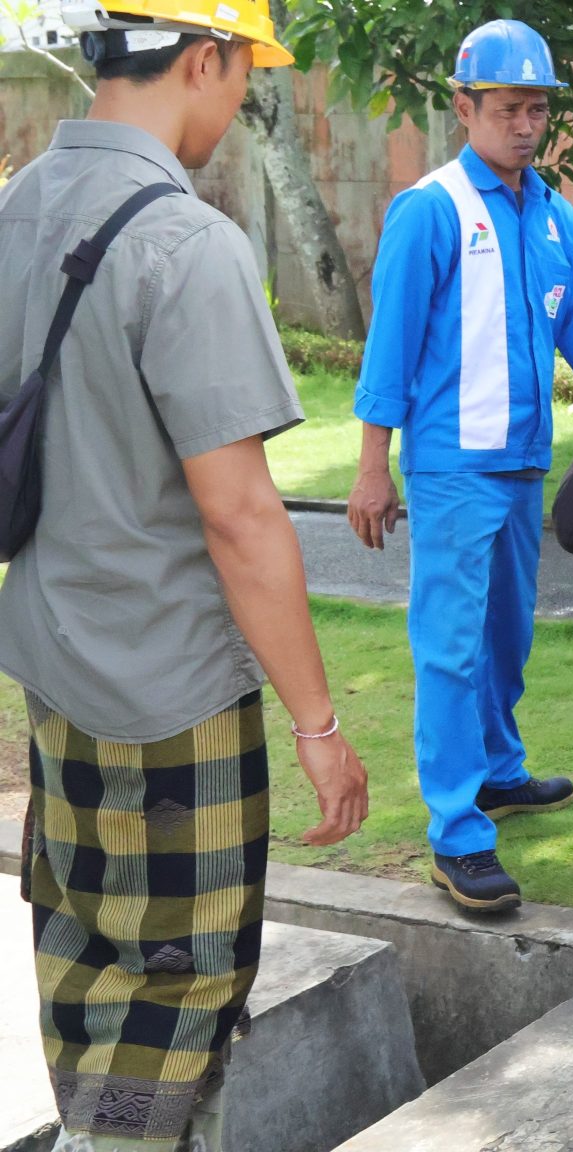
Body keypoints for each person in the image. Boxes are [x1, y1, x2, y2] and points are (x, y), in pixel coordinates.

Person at [0, 2, 370, 1146]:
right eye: (244, 75)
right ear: (202, 58)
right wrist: (317, 722)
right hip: (174, 697)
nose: (236, 103)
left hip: (54, 664)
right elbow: (244, 517)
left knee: (80, 953)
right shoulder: (188, 242)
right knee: (178, 985)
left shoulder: (13, 210)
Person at [346, 19, 573, 912]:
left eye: (538, 108)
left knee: (508, 638)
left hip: (520, 469)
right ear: (465, 106)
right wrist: (370, 469)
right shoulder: (430, 209)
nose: (525, 124)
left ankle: (499, 773)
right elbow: (388, 348)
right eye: (508, 107)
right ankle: (456, 830)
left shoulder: (552, 213)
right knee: (452, 648)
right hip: (448, 470)